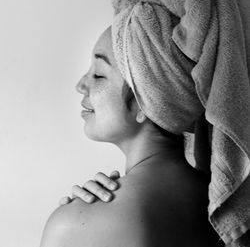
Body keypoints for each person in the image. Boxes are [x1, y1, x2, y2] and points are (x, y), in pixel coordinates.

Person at [40, 26, 223, 247]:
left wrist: (75, 221)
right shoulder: (227, 205)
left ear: (147, 102)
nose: (80, 85)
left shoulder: (72, 225)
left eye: (98, 74)